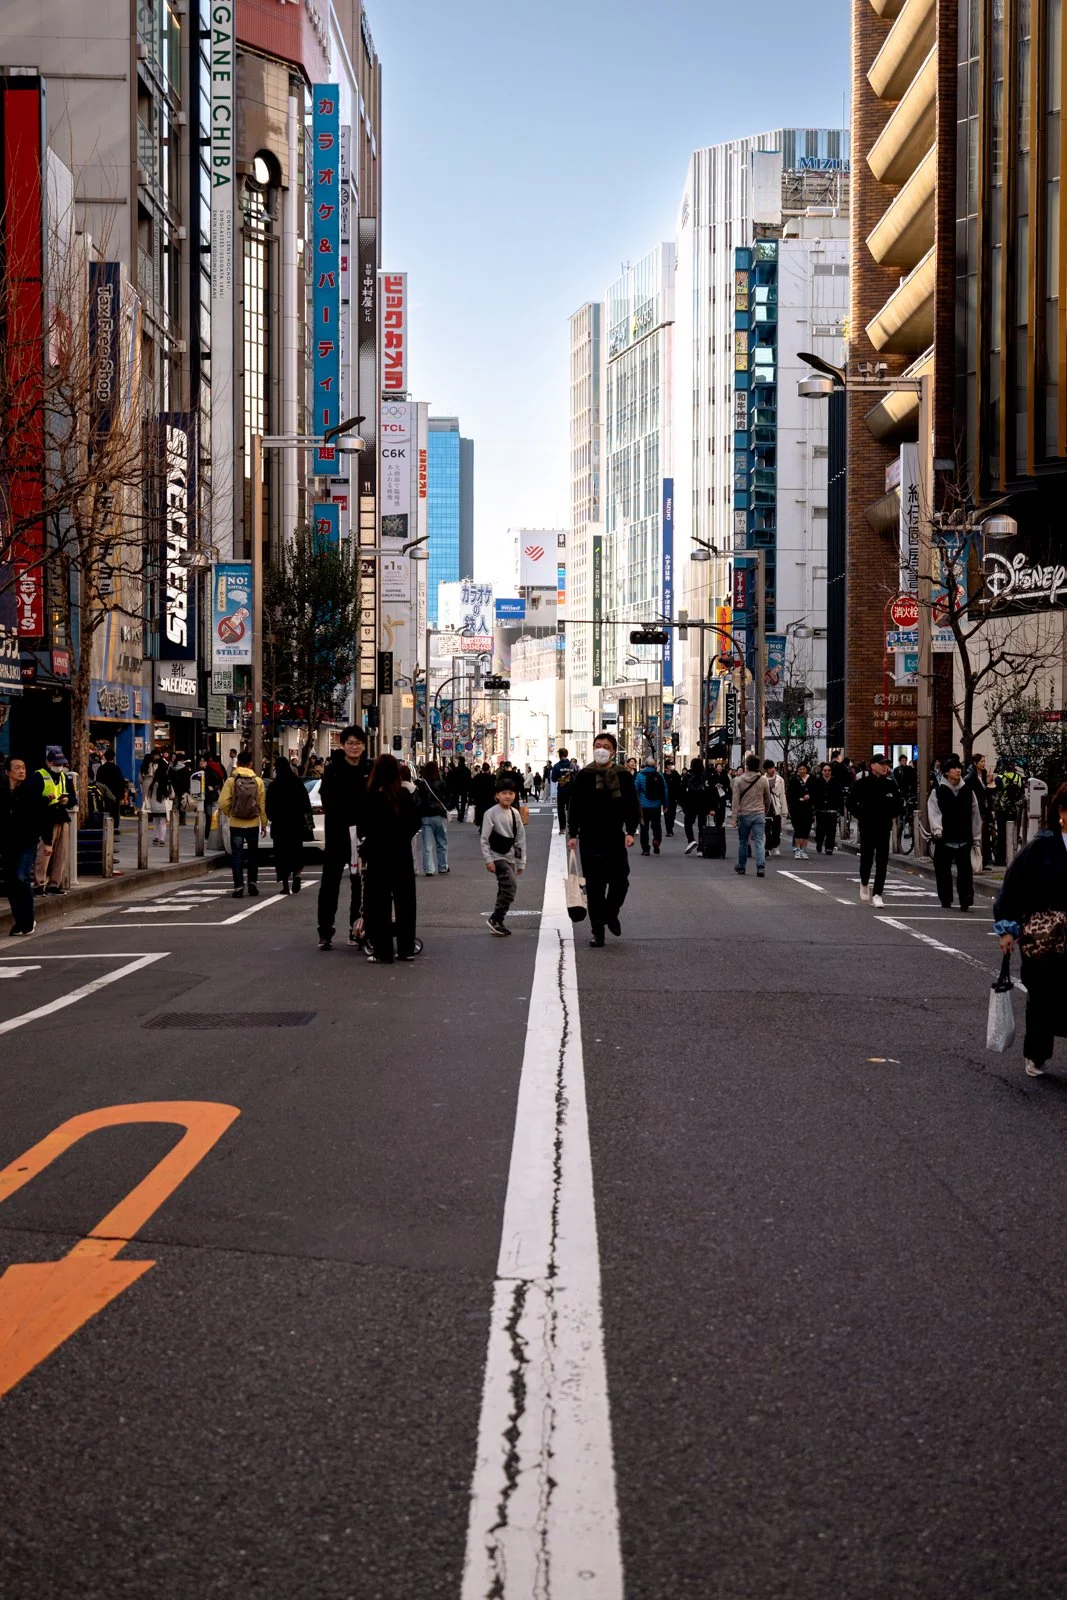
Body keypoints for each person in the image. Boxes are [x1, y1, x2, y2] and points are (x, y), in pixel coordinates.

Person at [994, 782, 1067, 1077]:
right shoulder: (1041, 846)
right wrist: (1008, 929)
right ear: (1062, 812)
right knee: (1042, 993)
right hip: (1043, 934)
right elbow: (1013, 888)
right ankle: (1037, 1053)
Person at [567, 732, 640, 947]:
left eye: (606, 746)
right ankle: (597, 931)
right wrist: (573, 834)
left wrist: (630, 831)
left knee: (621, 882)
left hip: (615, 836)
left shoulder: (623, 775)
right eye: (598, 746)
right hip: (590, 837)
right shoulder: (584, 775)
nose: (601, 750)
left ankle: (611, 914)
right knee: (595, 887)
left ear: (614, 751)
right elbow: (575, 806)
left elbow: (632, 805)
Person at [360, 753, 421, 963]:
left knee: (379, 904)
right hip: (401, 855)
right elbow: (415, 823)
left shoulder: (371, 796)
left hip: (378, 856)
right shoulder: (403, 794)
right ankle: (406, 949)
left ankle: (383, 950)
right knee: (405, 903)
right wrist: (402, 836)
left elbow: (363, 827)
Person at [317, 726, 370, 950]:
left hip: (364, 834)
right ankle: (325, 931)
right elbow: (327, 799)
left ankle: (356, 928)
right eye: (350, 743)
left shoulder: (370, 768)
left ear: (364, 745)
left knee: (361, 884)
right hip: (338, 833)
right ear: (343, 745)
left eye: (358, 743)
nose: (354, 747)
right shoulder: (333, 770)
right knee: (331, 882)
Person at [928, 752, 982, 911]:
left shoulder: (968, 791)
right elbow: (934, 812)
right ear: (946, 772)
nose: (957, 771)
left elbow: (975, 815)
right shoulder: (938, 792)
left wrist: (976, 837)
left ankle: (966, 899)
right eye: (953, 768)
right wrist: (937, 830)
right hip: (944, 837)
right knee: (942, 870)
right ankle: (946, 898)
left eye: (959, 768)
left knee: (965, 871)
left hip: (964, 836)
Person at [851, 750, 901, 906]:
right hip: (867, 827)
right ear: (873, 766)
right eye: (882, 764)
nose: (885, 767)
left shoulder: (890, 784)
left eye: (887, 764)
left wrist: (891, 815)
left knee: (882, 860)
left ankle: (878, 893)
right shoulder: (862, 784)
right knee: (866, 858)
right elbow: (850, 803)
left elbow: (898, 804)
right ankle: (864, 882)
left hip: (884, 827)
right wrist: (861, 816)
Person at [481, 770, 527, 935]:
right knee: (510, 886)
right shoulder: (491, 813)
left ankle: (498, 921)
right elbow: (484, 838)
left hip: (509, 856)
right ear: (497, 796)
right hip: (496, 856)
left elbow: (520, 838)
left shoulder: (515, 813)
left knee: (504, 887)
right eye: (504, 793)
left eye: (511, 793)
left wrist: (521, 862)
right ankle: (496, 917)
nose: (508, 796)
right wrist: (488, 859)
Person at [218, 750, 267, 898]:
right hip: (252, 823)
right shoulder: (258, 781)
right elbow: (261, 804)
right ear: (250, 764)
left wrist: (230, 813)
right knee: (253, 855)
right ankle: (253, 884)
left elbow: (222, 802)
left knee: (237, 855)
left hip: (236, 823)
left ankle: (238, 886)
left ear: (238, 763)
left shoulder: (231, 781)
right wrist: (263, 823)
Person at [1, 757, 42, 934]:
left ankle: (28, 920)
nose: (21, 771)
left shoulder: (30, 791)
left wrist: (45, 841)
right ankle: (19, 921)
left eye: (23, 767)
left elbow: (41, 816)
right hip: (8, 844)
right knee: (11, 882)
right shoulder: (2, 792)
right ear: (7, 772)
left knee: (21, 878)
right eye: (17, 768)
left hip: (27, 842)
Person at [26, 748, 74, 894]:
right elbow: (31, 798)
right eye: (55, 763)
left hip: (62, 816)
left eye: (61, 764)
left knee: (61, 853)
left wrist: (67, 800)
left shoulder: (65, 777)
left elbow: (73, 798)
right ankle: (39, 883)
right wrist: (46, 799)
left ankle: (55, 883)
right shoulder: (39, 776)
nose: (59, 766)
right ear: (48, 762)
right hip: (45, 818)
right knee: (44, 852)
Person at [265, 757, 312, 894]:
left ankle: (285, 885)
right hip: (296, 824)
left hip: (280, 825)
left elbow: (269, 806)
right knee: (297, 851)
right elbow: (305, 802)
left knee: (281, 854)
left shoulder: (274, 785)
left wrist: (272, 817)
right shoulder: (297, 782)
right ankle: (297, 875)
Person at [731, 754, 771, 877]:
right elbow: (767, 798)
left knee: (743, 841)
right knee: (759, 841)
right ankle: (760, 867)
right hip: (759, 813)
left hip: (744, 814)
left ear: (747, 765)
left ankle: (742, 866)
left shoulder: (739, 780)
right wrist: (766, 810)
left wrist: (734, 818)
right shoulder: (763, 780)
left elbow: (735, 799)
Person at [417, 761, 451, 876]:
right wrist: (447, 808)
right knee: (442, 842)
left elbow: (418, 801)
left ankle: (429, 869)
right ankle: (443, 866)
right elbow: (448, 798)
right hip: (440, 815)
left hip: (426, 816)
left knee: (427, 845)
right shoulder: (441, 783)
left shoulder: (422, 784)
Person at [634, 755, 667, 855]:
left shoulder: (640, 776)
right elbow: (665, 791)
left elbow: (635, 790)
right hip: (656, 806)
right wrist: (665, 804)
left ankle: (645, 849)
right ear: (654, 766)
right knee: (657, 825)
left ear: (645, 765)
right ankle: (656, 840)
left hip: (643, 806)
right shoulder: (660, 776)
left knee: (644, 828)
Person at [95, 748, 127, 839]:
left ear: (104, 757)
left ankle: (105, 826)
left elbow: (98, 782)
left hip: (104, 794)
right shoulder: (116, 769)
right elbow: (121, 782)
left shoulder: (101, 769)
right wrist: (122, 795)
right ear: (113, 757)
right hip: (115, 794)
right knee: (115, 811)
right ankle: (115, 827)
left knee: (105, 810)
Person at [143, 752, 173, 847]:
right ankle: (162, 840)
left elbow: (149, 794)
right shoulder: (166, 782)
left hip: (154, 806)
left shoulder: (153, 783)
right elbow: (172, 795)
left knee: (156, 822)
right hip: (163, 805)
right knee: (163, 823)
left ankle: (156, 838)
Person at [681, 758, 710, 855]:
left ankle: (691, 840)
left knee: (688, 823)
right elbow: (709, 792)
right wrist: (711, 807)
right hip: (703, 804)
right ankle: (701, 848)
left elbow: (681, 791)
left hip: (690, 804)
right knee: (702, 826)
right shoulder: (705, 777)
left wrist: (683, 805)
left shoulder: (687, 777)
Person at [809, 761, 839, 856]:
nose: (827, 772)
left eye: (829, 770)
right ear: (822, 771)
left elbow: (838, 795)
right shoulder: (818, 781)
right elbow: (814, 794)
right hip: (820, 809)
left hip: (832, 809)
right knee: (820, 829)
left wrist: (838, 808)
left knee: (831, 829)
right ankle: (819, 842)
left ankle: (829, 847)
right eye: (825, 770)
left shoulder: (835, 781)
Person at [787, 763, 814, 860]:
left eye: (804, 769)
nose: (802, 771)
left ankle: (804, 850)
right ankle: (798, 849)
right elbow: (790, 794)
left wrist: (810, 797)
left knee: (806, 830)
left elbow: (817, 792)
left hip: (808, 808)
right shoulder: (794, 780)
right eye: (800, 769)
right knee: (798, 829)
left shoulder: (812, 779)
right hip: (797, 808)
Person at [551, 748, 578, 834]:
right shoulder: (573, 765)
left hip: (561, 790)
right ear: (567, 754)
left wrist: (561, 778)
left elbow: (553, 779)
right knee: (571, 810)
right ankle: (572, 828)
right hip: (571, 790)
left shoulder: (556, 766)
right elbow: (578, 777)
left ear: (559, 756)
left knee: (561, 809)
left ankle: (562, 828)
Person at [763, 759, 787, 857]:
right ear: (766, 770)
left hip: (776, 806)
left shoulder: (780, 780)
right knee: (766, 830)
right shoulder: (762, 779)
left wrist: (784, 810)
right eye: (770, 768)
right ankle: (767, 848)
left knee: (776, 829)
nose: (772, 770)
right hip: (766, 807)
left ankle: (776, 845)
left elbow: (782, 795)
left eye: (773, 768)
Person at [471, 761, 496, 832]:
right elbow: (494, 788)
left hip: (479, 798)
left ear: (482, 769)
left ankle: (481, 826)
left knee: (481, 813)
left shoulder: (478, 777)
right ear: (488, 769)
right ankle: (487, 827)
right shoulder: (492, 777)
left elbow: (473, 787)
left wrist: (472, 797)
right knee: (488, 813)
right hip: (489, 798)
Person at [663, 758, 682, 838]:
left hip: (673, 798)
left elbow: (679, 783)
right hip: (665, 798)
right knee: (666, 814)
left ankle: (671, 827)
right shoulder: (663, 775)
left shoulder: (675, 774)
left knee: (672, 814)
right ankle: (669, 830)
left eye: (672, 764)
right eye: (670, 764)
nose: (672, 766)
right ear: (667, 766)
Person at [452, 755, 471, 822]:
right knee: (463, 802)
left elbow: (453, 780)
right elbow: (469, 780)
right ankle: (462, 815)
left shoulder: (456, 769)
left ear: (459, 761)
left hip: (457, 788)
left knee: (456, 801)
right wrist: (469, 788)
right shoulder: (467, 770)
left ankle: (459, 812)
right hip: (464, 788)